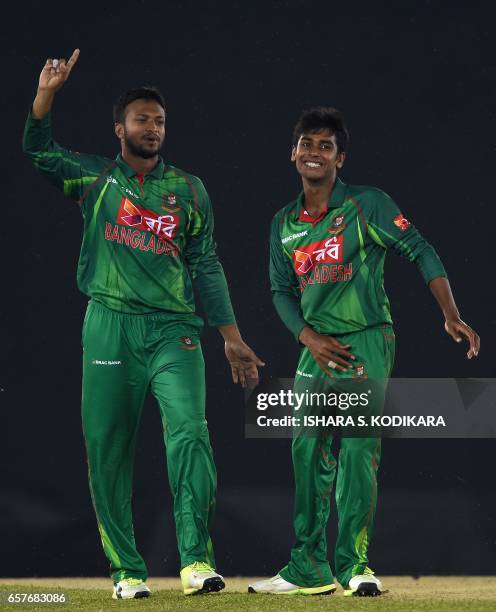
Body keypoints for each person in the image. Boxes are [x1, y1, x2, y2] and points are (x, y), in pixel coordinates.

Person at [23, 49, 264, 600]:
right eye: (141, 119)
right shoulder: (95, 178)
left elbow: (206, 263)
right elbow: (37, 150)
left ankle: (197, 562)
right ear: (119, 128)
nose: (152, 128)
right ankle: (127, 573)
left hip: (174, 331)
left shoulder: (190, 190)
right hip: (109, 325)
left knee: (191, 434)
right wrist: (47, 95)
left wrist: (230, 337)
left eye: (159, 120)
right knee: (108, 448)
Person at [249, 107, 480, 597]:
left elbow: (420, 249)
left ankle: (354, 565)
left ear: (340, 158)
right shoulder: (283, 224)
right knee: (306, 449)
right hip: (316, 348)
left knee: (356, 450)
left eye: (325, 146)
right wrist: (306, 337)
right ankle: (306, 568)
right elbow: (279, 291)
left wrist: (450, 313)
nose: (314, 152)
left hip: (365, 340)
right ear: (293, 153)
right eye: (306, 144)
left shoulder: (367, 205)